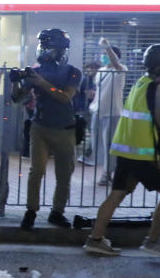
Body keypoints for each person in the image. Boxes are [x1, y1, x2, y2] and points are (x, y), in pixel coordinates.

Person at [83, 44, 160, 257]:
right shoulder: (157, 88)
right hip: (142, 154)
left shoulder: (141, 82)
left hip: (126, 151)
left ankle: (95, 239)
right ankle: (153, 241)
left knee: (116, 195)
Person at [11, 29, 82, 230]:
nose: (45, 52)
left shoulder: (73, 72)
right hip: (40, 126)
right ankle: (31, 211)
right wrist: (15, 81)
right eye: (43, 48)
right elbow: (18, 99)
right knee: (37, 171)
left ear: (61, 51)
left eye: (50, 48)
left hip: (65, 129)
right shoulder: (37, 70)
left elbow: (66, 97)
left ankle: (57, 212)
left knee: (64, 173)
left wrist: (41, 83)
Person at [88, 38, 127, 184]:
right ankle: (106, 170)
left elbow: (116, 63)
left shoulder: (120, 70)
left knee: (110, 145)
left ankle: (107, 174)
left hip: (112, 112)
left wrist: (108, 47)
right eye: (103, 54)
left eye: (106, 54)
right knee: (98, 144)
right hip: (97, 111)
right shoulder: (101, 71)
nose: (103, 57)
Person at [74, 60, 99, 165]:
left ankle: (87, 155)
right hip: (86, 109)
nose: (90, 70)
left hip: (84, 108)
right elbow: (90, 95)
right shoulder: (87, 80)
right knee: (93, 132)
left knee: (89, 131)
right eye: (90, 68)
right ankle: (88, 155)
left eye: (92, 68)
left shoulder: (88, 79)